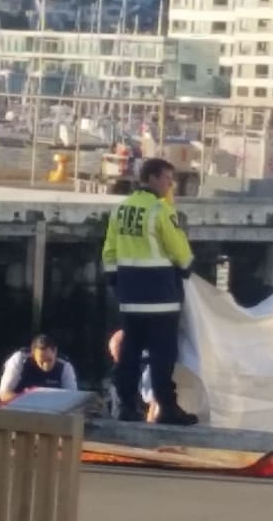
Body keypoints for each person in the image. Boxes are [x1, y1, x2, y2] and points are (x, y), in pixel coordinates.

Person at [102, 157, 198, 425]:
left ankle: (125, 407)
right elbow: (179, 250)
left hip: (130, 297)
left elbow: (109, 250)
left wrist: (116, 281)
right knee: (162, 356)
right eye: (168, 178)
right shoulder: (161, 210)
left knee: (129, 355)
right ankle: (167, 408)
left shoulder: (121, 210)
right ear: (153, 178)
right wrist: (187, 266)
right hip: (161, 297)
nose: (170, 184)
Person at [0, 334, 78, 402]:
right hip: (20, 410)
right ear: (33, 355)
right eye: (41, 361)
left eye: (49, 360)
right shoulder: (20, 359)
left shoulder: (65, 366)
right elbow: (4, 394)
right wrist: (28, 400)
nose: (46, 365)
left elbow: (72, 400)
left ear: (55, 352)